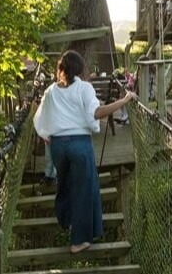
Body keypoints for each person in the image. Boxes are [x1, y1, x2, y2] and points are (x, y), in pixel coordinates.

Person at [33, 50, 137, 254]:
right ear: (80, 68)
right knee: (84, 188)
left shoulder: (51, 90)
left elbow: (39, 115)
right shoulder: (84, 88)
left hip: (58, 146)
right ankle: (79, 241)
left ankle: (68, 221)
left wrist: (47, 134)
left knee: (64, 184)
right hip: (79, 145)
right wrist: (124, 101)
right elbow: (96, 113)